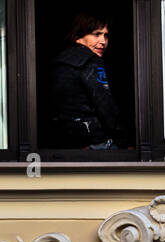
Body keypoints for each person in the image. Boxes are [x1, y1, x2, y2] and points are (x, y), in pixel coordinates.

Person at [47, 14, 122, 149]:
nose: (103, 41)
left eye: (106, 36)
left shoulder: (58, 61)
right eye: (96, 34)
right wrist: (123, 140)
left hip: (63, 141)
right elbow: (105, 106)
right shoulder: (90, 61)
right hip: (94, 141)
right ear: (79, 36)